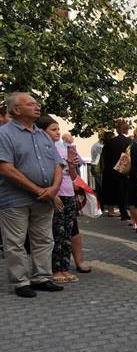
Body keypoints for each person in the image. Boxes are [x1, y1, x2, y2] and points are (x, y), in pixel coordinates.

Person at [0, 92, 65, 297]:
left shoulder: (42, 134)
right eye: (31, 104)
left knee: (44, 239)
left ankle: (41, 278)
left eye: (37, 104)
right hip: (15, 199)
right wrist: (38, 190)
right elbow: (6, 168)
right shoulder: (5, 134)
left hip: (44, 198)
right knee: (16, 242)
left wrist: (54, 188)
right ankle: (21, 282)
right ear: (16, 110)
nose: (37, 107)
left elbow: (57, 163)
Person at [35, 115, 79, 283]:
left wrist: (73, 165)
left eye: (58, 129)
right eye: (53, 129)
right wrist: (54, 195)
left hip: (69, 194)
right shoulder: (42, 150)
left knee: (67, 233)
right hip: (54, 195)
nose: (58, 132)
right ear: (42, 131)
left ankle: (65, 267)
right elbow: (44, 176)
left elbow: (73, 176)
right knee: (55, 234)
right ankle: (54, 269)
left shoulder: (63, 148)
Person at [101, 119, 132, 219]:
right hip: (123, 170)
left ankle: (111, 210)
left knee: (110, 191)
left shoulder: (109, 142)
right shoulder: (129, 142)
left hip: (110, 170)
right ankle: (124, 211)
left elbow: (104, 157)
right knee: (123, 192)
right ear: (126, 130)